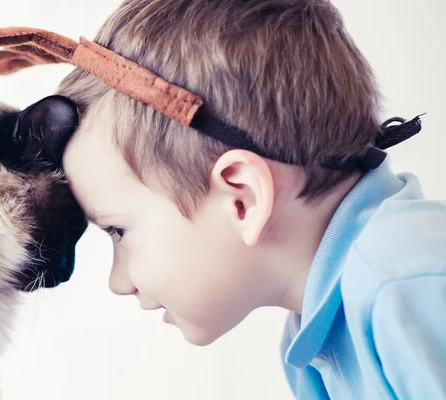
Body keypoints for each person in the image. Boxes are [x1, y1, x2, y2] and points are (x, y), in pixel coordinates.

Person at [56, 0, 446, 398]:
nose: (117, 283)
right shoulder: (311, 343)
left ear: (243, 198)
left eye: (118, 230)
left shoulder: (409, 280)